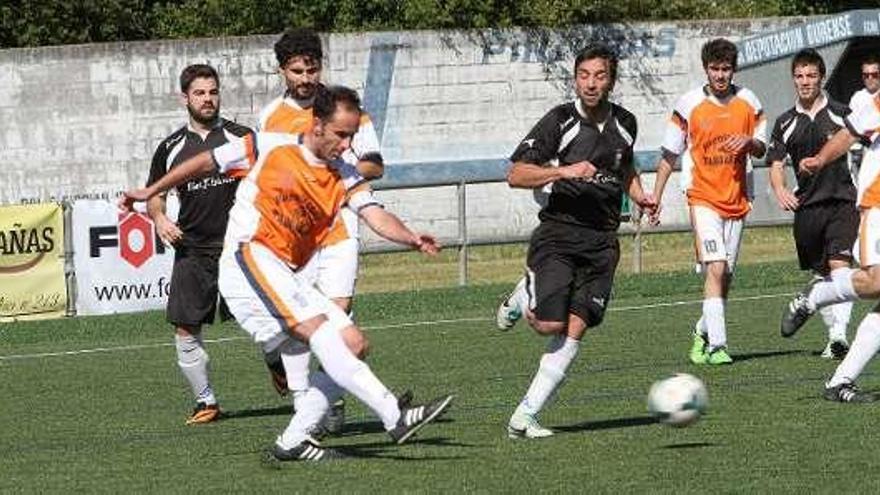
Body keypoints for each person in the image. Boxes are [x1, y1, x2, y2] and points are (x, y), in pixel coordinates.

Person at [122, 85, 454, 460]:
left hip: (285, 273)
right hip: (248, 259)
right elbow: (203, 162)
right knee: (316, 330)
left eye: (352, 136)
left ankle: (294, 440)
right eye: (340, 135)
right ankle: (394, 415)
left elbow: (374, 213)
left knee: (354, 344)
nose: (347, 146)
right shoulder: (268, 144)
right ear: (317, 126)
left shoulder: (343, 173)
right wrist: (152, 190)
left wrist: (410, 236)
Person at [500, 44, 656, 439]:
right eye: (584, 75)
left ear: (611, 80)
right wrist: (564, 171)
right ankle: (522, 296)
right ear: (575, 78)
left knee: (575, 327)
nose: (591, 83)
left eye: (599, 75)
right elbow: (516, 174)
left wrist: (642, 196)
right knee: (549, 322)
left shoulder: (626, 123)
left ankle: (524, 417)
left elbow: (626, 168)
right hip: (559, 233)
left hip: (603, 241)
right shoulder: (560, 120)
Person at [257, 28, 388, 433]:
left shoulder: (347, 111)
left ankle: (327, 397)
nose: (305, 78)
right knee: (298, 318)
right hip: (292, 231)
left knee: (338, 313)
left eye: (311, 69)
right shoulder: (270, 117)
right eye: (297, 70)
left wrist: (335, 168)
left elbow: (375, 164)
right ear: (283, 71)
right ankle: (305, 403)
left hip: (338, 224)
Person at [145, 64, 252, 425]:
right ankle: (206, 402)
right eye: (200, 93)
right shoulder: (171, 147)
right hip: (193, 250)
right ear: (185, 98)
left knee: (268, 316)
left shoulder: (243, 138)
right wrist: (160, 219)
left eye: (213, 92)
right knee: (185, 327)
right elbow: (154, 196)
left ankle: (279, 366)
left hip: (243, 247)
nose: (208, 99)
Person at [652, 38, 767, 365]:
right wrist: (655, 197)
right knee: (715, 268)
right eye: (715, 69)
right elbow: (669, 154)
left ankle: (701, 334)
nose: (720, 75)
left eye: (726, 69)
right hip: (702, 197)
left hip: (739, 198)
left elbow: (763, 148)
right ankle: (718, 345)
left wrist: (748, 142)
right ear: (706, 69)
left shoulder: (750, 102)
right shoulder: (688, 104)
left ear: (734, 70)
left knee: (724, 276)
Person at [768, 49, 856, 360]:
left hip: (843, 201)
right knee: (823, 275)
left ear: (821, 77)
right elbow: (776, 164)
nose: (805, 82)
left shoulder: (842, 113)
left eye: (811, 75)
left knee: (840, 268)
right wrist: (780, 190)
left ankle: (838, 338)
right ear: (794, 80)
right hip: (808, 209)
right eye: (800, 76)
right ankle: (827, 324)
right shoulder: (785, 122)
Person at [847, 55, 880, 186]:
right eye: (866, 75)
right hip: (862, 151)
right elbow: (851, 128)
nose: (870, 78)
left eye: (874, 74)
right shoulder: (857, 98)